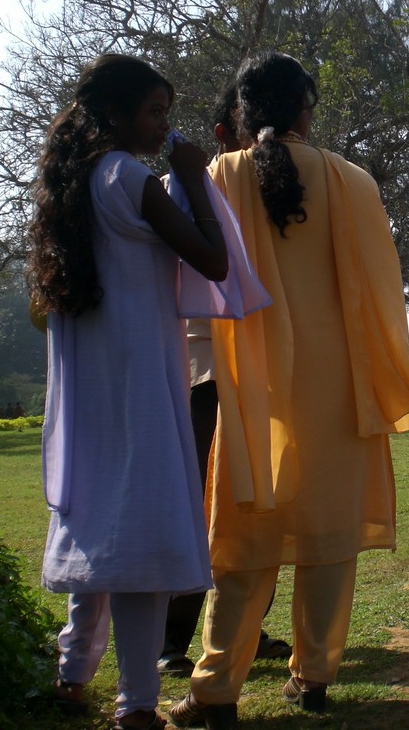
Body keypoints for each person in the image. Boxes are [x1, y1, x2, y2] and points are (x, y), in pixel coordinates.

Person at [169, 52, 409, 729]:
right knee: (327, 540)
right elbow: (381, 294)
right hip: (340, 388)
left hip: (256, 390)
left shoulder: (219, 177)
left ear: (241, 115)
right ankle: (313, 679)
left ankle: (214, 690)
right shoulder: (351, 181)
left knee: (243, 540)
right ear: (305, 109)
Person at [28, 54, 228, 730]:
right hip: (140, 379)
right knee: (139, 538)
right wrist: (195, 178)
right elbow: (213, 259)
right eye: (154, 112)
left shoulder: (70, 184)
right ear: (117, 115)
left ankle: (71, 674)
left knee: (102, 532)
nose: (163, 125)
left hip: (92, 386)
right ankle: (136, 705)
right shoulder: (129, 179)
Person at [158, 84, 291, 679]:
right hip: (205, 368)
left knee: (258, 501)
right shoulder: (190, 187)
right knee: (200, 500)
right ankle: (172, 639)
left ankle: (243, 629)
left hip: (261, 369)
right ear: (225, 136)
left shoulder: (277, 188)